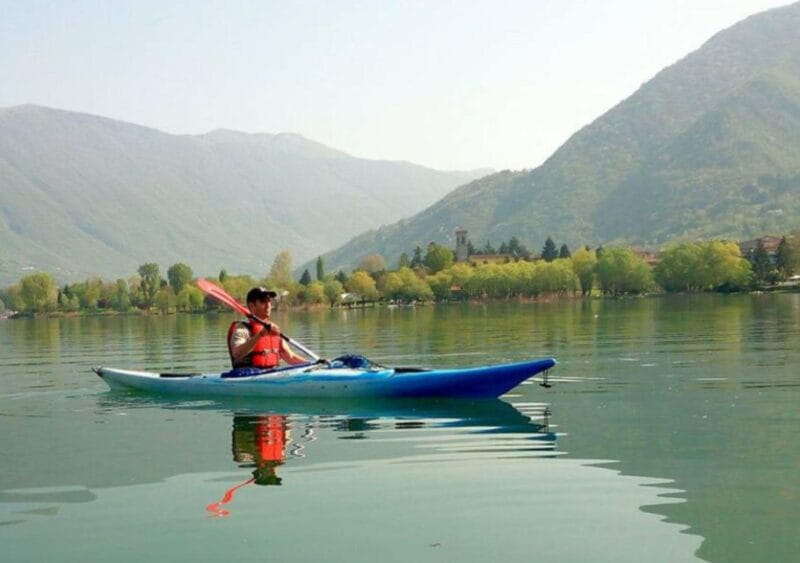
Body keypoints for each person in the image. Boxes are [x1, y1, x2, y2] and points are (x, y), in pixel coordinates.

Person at [227, 287, 308, 368]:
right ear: (252, 306)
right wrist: (261, 334)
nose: (268, 305)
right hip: (247, 375)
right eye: (263, 301)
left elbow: (290, 357)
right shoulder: (242, 329)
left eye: (269, 301)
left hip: (270, 375)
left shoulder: (273, 329)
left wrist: (312, 364)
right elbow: (237, 354)